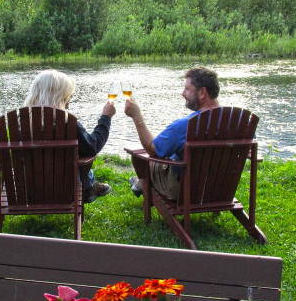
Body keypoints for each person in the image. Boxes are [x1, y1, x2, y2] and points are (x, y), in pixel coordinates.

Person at [123, 67, 220, 200]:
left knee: (139, 157)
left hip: (186, 191)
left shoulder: (185, 125)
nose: (182, 93)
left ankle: (142, 185)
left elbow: (153, 150)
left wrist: (137, 117)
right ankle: (139, 184)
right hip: (218, 189)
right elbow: (249, 148)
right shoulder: (238, 120)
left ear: (203, 92)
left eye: (187, 89)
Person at [23, 69, 115, 203]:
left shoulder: (21, 123)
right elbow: (93, 146)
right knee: (81, 157)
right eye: (67, 98)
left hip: (28, 192)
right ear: (57, 98)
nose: (68, 104)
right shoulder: (68, 125)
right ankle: (89, 186)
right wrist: (105, 118)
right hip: (65, 192)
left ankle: (90, 185)